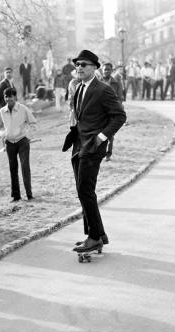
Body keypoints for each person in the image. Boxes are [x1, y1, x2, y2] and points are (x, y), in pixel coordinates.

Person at [62, 49, 126, 253]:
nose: (79, 68)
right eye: (77, 65)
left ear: (94, 68)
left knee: (85, 190)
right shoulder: (79, 87)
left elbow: (119, 116)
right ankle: (96, 233)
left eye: (84, 65)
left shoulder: (103, 89)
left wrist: (101, 138)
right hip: (79, 144)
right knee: (83, 191)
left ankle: (94, 237)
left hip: (94, 146)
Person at [0, 87, 37, 202]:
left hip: (22, 141)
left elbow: (33, 123)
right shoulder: (2, 112)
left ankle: (29, 194)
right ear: (4, 98)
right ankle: (16, 196)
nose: (8, 99)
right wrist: (4, 135)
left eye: (10, 96)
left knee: (25, 167)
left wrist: (27, 135)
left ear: (15, 97)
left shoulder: (23, 109)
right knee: (13, 168)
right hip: (10, 143)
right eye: (6, 96)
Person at [101, 62, 123, 161]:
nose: (106, 71)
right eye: (104, 69)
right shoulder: (97, 81)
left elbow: (119, 99)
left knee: (110, 134)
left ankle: (108, 154)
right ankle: (99, 153)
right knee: (99, 133)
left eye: (108, 69)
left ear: (111, 71)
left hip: (112, 112)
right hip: (100, 112)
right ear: (102, 70)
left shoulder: (116, 83)